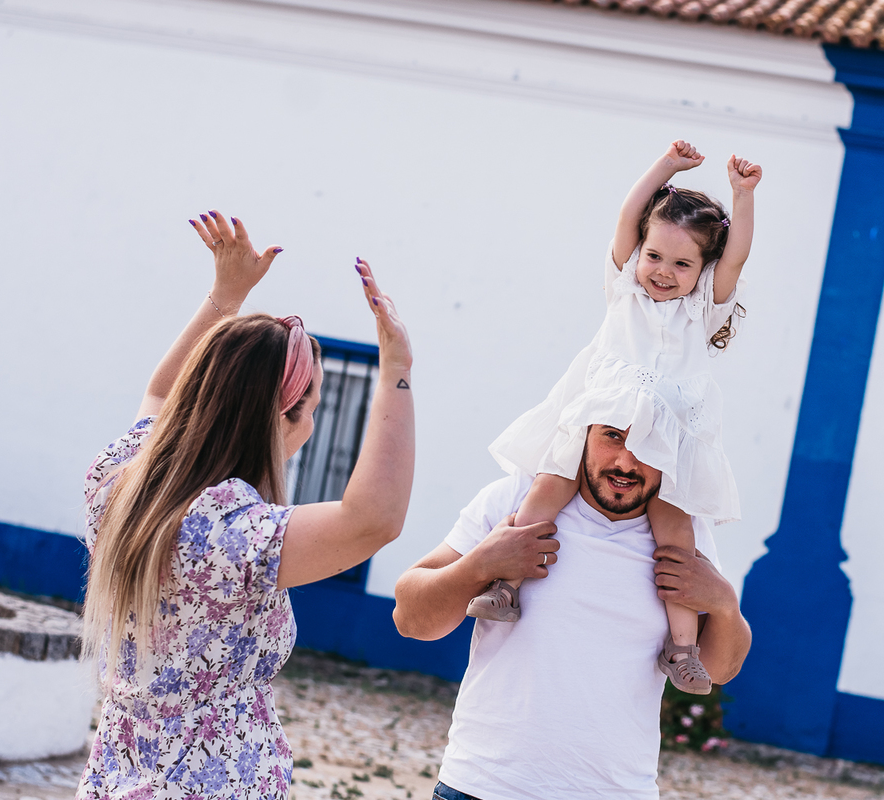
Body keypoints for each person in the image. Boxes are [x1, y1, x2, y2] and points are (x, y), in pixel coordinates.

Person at [76, 211, 414, 799]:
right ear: (285, 417)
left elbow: (160, 393)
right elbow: (373, 521)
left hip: (115, 781)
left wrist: (225, 296)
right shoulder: (228, 532)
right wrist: (398, 374)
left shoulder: (121, 482)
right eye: (311, 406)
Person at [473, 140, 761, 694]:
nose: (662, 271)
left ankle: (681, 650)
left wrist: (742, 197)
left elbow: (737, 256)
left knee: (677, 540)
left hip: (669, 439)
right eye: (655, 256)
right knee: (546, 490)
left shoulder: (701, 310)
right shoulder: (623, 288)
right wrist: (666, 167)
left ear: (702, 271)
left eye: (682, 264)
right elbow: (629, 215)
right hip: (599, 419)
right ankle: (507, 588)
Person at [393, 423, 751, 800]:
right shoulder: (516, 499)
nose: (627, 461)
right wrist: (480, 565)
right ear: (583, 431)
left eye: (651, 443)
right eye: (613, 435)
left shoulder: (684, 535)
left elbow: (719, 669)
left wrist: (724, 604)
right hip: (482, 785)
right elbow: (410, 619)